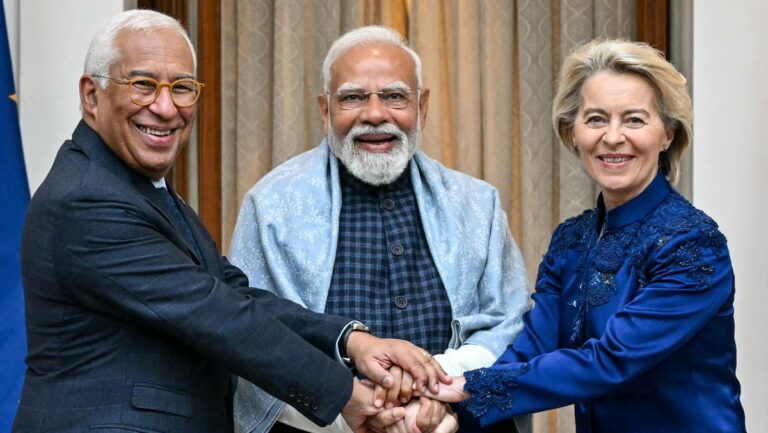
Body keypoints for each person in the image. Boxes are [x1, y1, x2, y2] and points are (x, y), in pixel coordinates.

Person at [12, 11, 450, 433]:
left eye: (182, 87)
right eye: (143, 85)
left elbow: (234, 295)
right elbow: (220, 317)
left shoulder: (137, 187)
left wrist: (353, 340)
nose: (165, 107)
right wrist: (347, 396)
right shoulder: (87, 199)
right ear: (92, 95)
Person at [423, 39, 747, 433]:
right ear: (572, 133)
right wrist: (447, 405)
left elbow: (612, 360)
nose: (613, 137)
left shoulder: (693, 243)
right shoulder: (571, 241)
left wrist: (467, 389)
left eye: (634, 119)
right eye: (595, 119)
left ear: (667, 134)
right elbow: (533, 348)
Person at [229, 26, 531, 433]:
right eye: (353, 97)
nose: (374, 114)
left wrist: (437, 388)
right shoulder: (271, 205)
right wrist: (352, 407)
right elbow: (253, 334)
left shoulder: (476, 205)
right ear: (325, 110)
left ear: (422, 106)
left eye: (394, 96)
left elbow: (511, 324)